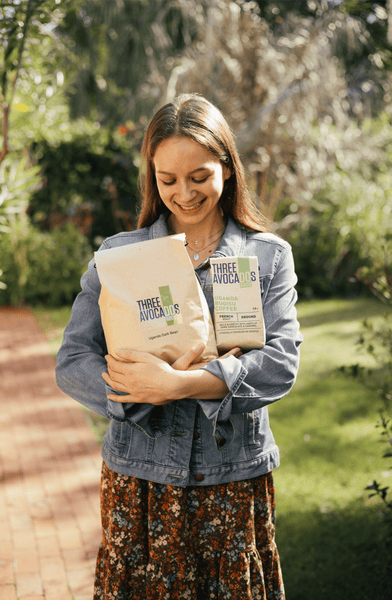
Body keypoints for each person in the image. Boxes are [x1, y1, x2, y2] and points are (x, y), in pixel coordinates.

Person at [56, 93, 303, 600]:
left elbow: (279, 364)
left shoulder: (267, 256)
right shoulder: (119, 256)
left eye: (199, 177)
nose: (184, 194)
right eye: (167, 180)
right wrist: (135, 391)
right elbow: (73, 361)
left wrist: (178, 384)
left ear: (227, 169)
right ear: (151, 176)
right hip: (139, 480)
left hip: (233, 476)